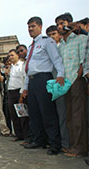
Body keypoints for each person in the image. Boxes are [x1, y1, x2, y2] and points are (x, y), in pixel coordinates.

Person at [21, 16, 64, 155]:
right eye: (29, 27)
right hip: (33, 81)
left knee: (47, 112)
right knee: (34, 113)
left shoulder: (47, 42)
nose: (30, 29)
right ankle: (39, 140)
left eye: (33, 26)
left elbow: (56, 59)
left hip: (44, 79)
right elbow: (29, 69)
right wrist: (26, 87)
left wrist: (60, 75)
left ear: (40, 26)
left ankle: (54, 143)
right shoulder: (31, 46)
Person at [56, 13, 88, 157]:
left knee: (78, 116)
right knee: (69, 116)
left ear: (70, 23)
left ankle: (80, 148)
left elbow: (83, 62)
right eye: (58, 24)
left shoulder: (81, 39)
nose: (59, 27)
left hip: (77, 80)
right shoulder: (60, 45)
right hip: (65, 83)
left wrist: (78, 78)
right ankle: (72, 145)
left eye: (62, 23)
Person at [7, 49, 29, 141]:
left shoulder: (22, 65)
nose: (10, 57)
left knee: (22, 115)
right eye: (9, 56)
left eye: (12, 55)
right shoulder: (11, 67)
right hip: (11, 91)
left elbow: (24, 79)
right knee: (13, 115)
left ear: (17, 55)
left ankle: (26, 136)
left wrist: (22, 93)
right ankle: (18, 135)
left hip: (19, 91)